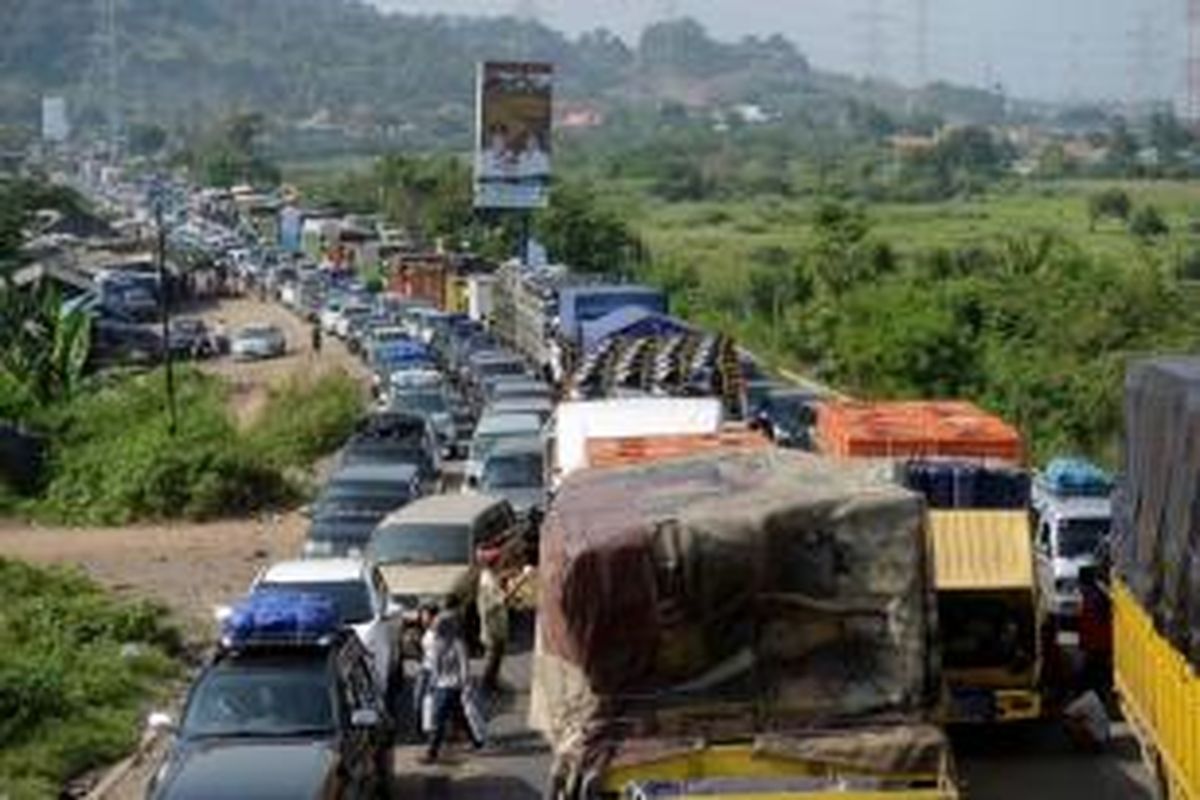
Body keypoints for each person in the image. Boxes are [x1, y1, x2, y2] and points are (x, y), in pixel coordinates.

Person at [421, 600, 481, 763]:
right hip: (441, 684)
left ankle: (431, 753)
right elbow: (433, 665)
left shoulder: (457, 643)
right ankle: (476, 740)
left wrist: (466, 685)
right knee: (458, 715)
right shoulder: (438, 642)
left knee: (438, 718)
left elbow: (464, 666)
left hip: (451, 685)